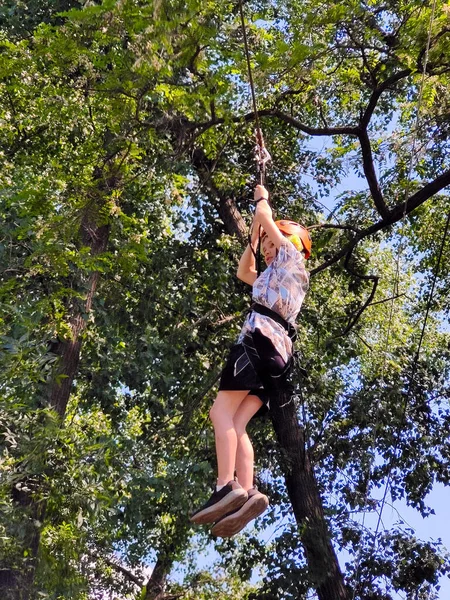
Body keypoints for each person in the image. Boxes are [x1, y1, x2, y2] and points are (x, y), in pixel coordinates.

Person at [190, 184, 311, 538]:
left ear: (292, 245)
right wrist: (255, 242)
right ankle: (249, 490)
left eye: (276, 244)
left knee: (220, 413)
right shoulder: (275, 277)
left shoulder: (293, 262)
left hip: (258, 342)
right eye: (270, 247)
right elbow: (245, 273)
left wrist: (262, 202)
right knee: (237, 423)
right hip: (275, 357)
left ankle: (225, 485)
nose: (271, 250)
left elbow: (264, 216)